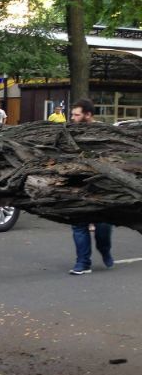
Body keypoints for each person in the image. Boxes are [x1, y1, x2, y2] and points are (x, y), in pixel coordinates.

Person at [68, 99, 113, 275]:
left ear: (88, 115)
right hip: (78, 186)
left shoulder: (103, 132)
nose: (73, 118)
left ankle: (104, 249)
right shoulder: (70, 133)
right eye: (72, 114)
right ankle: (83, 262)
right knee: (78, 225)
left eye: (76, 115)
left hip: (101, 186)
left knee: (103, 227)